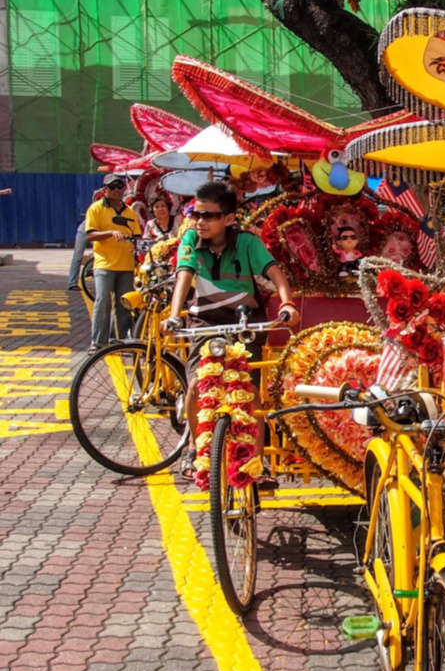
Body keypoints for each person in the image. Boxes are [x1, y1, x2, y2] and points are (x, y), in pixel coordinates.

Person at [161, 180, 300, 483]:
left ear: (229, 218)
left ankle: (257, 464)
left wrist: (287, 304)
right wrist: (174, 316)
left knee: (250, 394)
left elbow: (275, 273)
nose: (200, 222)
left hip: (246, 324)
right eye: (196, 214)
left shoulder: (248, 243)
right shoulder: (189, 240)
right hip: (206, 324)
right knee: (198, 386)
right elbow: (184, 275)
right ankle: (196, 451)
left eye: (209, 216)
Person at [85, 173, 140, 354]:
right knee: (102, 301)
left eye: (119, 186)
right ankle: (98, 342)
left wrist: (136, 249)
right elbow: (91, 234)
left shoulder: (129, 211)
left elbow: (137, 236)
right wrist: (110, 233)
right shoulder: (96, 209)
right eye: (112, 187)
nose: (116, 190)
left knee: (123, 304)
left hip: (125, 265)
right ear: (105, 189)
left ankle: (119, 340)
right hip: (104, 264)